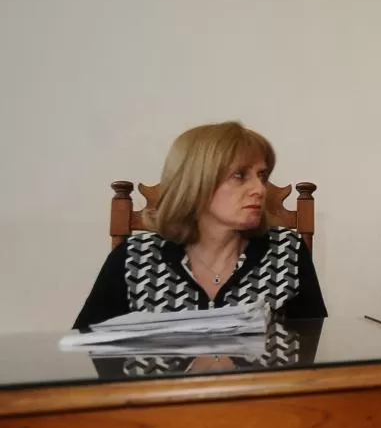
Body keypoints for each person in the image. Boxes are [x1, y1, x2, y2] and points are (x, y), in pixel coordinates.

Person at [74, 121, 326, 329]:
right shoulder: (134, 258)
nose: (259, 189)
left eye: (262, 175)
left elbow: (315, 350)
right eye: (240, 176)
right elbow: (86, 352)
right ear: (196, 182)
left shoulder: (286, 252)